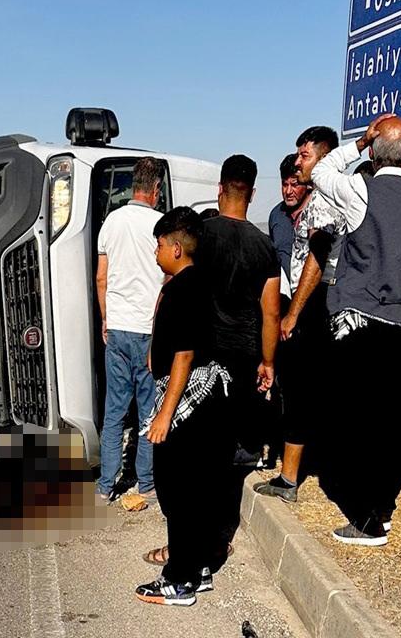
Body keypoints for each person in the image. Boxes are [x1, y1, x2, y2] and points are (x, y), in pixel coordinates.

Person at [310, 114, 401, 546]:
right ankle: (383, 506)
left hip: (360, 319)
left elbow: (320, 171)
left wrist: (359, 143)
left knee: (357, 421)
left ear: (376, 150)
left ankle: (365, 518)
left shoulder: (361, 190)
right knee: (388, 420)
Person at [134, 207, 234, 607]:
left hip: (190, 399)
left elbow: (184, 355)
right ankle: (200, 567)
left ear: (176, 248)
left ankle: (180, 580)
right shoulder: (194, 282)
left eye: (159, 245)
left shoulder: (184, 289)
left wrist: (165, 414)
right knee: (197, 490)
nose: (156, 252)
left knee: (178, 492)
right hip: (203, 398)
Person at [254, 126, 343, 503]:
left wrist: (292, 315)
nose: (299, 164)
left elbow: (316, 259)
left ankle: (291, 478)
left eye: (305, 156)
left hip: (313, 308)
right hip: (305, 305)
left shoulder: (324, 202)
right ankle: (292, 472)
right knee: (298, 390)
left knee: (302, 392)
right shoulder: (284, 214)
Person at [198, 155, 280, 464]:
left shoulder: (198, 235)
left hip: (202, 350)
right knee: (234, 436)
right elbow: (271, 313)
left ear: (219, 188)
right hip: (244, 354)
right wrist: (268, 361)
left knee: (204, 433)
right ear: (253, 194)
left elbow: (174, 292)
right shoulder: (265, 245)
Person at [95, 157, 165, 501]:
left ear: (134, 185)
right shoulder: (161, 225)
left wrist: (105, 318)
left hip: (119, 328)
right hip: (149, 330)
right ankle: (146, 483)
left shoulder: (112, 221)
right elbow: (167, 282)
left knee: (115, 412)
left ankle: (106, 486)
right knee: (148, 411)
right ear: (156, 188)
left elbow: (101, 278)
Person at [267, 153, 309, 290]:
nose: (288, 191)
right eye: (285, 185)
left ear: (307, 184)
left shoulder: (318, 213)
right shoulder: (276, 215)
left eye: (294, 185)